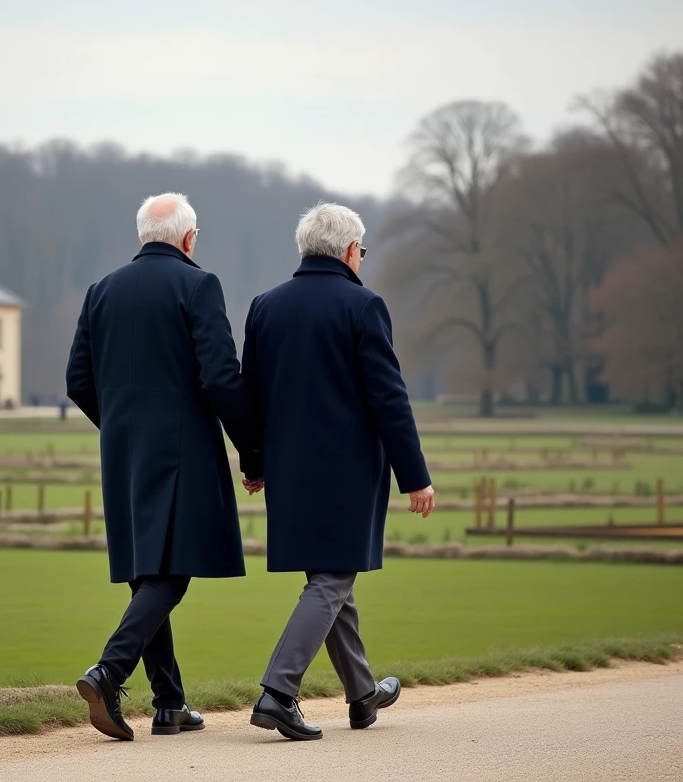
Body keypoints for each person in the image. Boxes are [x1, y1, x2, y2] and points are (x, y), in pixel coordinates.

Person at [65, 192, 261, 741]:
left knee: (147, 572)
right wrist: (252, 451)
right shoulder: (199, 285)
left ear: (141, 236)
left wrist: (122, 427)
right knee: (170, 573)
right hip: (182, 452)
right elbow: (222, 377)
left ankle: (170, 704)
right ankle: (109, 671)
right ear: (189, 239)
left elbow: (77, 380)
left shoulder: (100, 291)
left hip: (123, 453)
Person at [242, 202, 435, 741]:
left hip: (288, 471)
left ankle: (362, 693)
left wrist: (254, 462)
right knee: (332, 579)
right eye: (363, 251)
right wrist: (414, 475)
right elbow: (388, 399)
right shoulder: (363, 305)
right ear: (351, 252)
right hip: (346, 473)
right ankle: (279, 693)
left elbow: (248, 396)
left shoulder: (265, 306)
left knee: (331, 580)